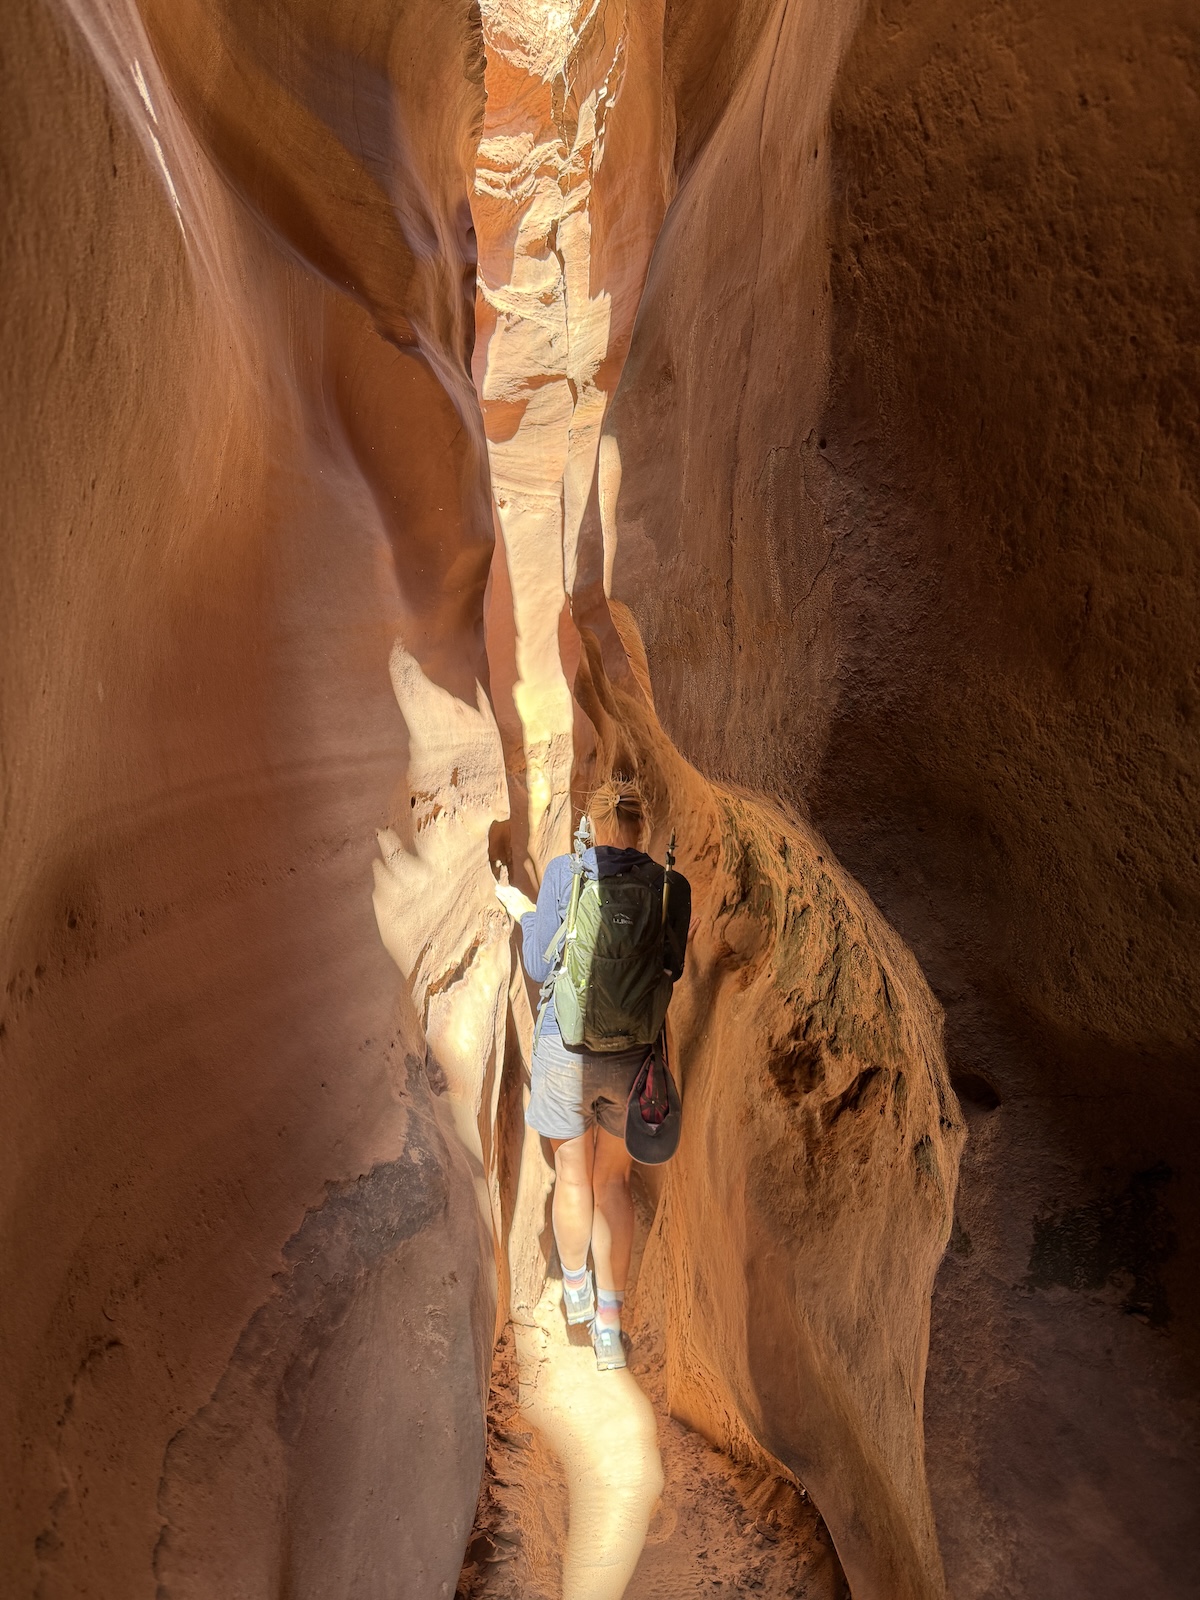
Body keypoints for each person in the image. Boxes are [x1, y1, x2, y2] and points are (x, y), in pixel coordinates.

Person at [495, 779, 690, 1372]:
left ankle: (574, 1290)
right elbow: (672, 967)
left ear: (591, 823)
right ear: (642, 826)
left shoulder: (564, 873)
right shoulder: (670, 886)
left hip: (565, 1047)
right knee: (614, 1186)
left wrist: (526, 912)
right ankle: (610, 1330)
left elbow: (536, 963)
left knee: (572, 1178)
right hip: (633, 1058)